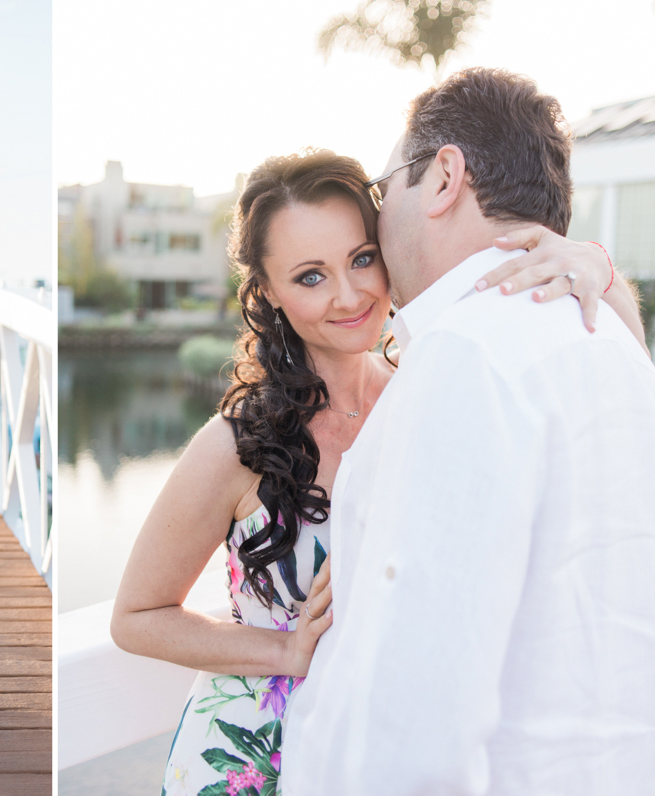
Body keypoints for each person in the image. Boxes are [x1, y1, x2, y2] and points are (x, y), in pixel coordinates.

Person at [110, 142, 645, 793]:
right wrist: (283, 651)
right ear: (271, 294)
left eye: (363, 258)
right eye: (311, 276)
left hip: (378, 757)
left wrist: (598, 271)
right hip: (249, 757)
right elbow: (136, 615)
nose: (350, 294)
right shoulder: (234, 444)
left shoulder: (429, 390)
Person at [281, 68, 655, 795]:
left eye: (387, 189)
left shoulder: (467, 355)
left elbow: (410, 730)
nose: (378, 222)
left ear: (445, 176)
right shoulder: (614, 345)